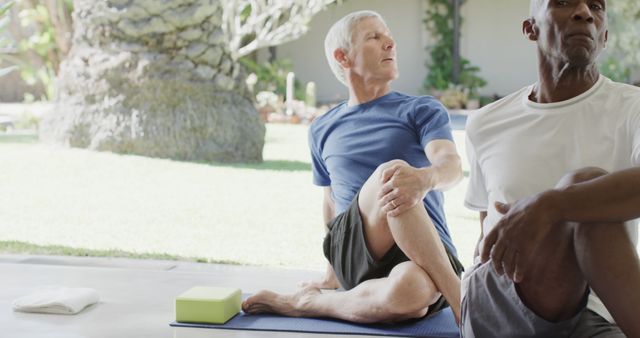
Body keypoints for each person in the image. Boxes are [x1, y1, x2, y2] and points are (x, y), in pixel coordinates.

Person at [242, 10, 465, 323]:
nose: (390, 43)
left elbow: (451, 165)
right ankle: (461, 302)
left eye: (388, 36)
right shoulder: (323, 128)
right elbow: (331, 200)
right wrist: (331, 274)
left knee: (413, 292)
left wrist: (426, 179)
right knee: (393, 175)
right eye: (374, 37)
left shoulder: (421, 110)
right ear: (342, 57)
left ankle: (309, 304)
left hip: (429, 253)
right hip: (357, 252)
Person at [462, 0, 640, 336]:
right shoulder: (486, 123)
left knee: (582, 194)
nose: (584, 12)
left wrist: (550, 205)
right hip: (505, 301)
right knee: (585, 186)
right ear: (530, 29)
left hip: (597, 314)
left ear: (604, 36)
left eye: (597, 7)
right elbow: (486, 231)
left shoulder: (632, 108)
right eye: (563, 2)